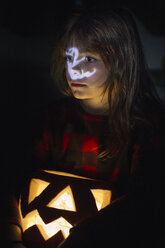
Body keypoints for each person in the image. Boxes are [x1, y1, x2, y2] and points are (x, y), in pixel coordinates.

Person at [6, 7, 165, 248]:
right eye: (70, 58)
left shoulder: (149, 128)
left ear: (121, 62)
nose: (73, 70)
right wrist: (10, 233)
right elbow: (12, 179)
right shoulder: (52, 120)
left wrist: (88, 235)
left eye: (89, 59)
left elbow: (147, 204)